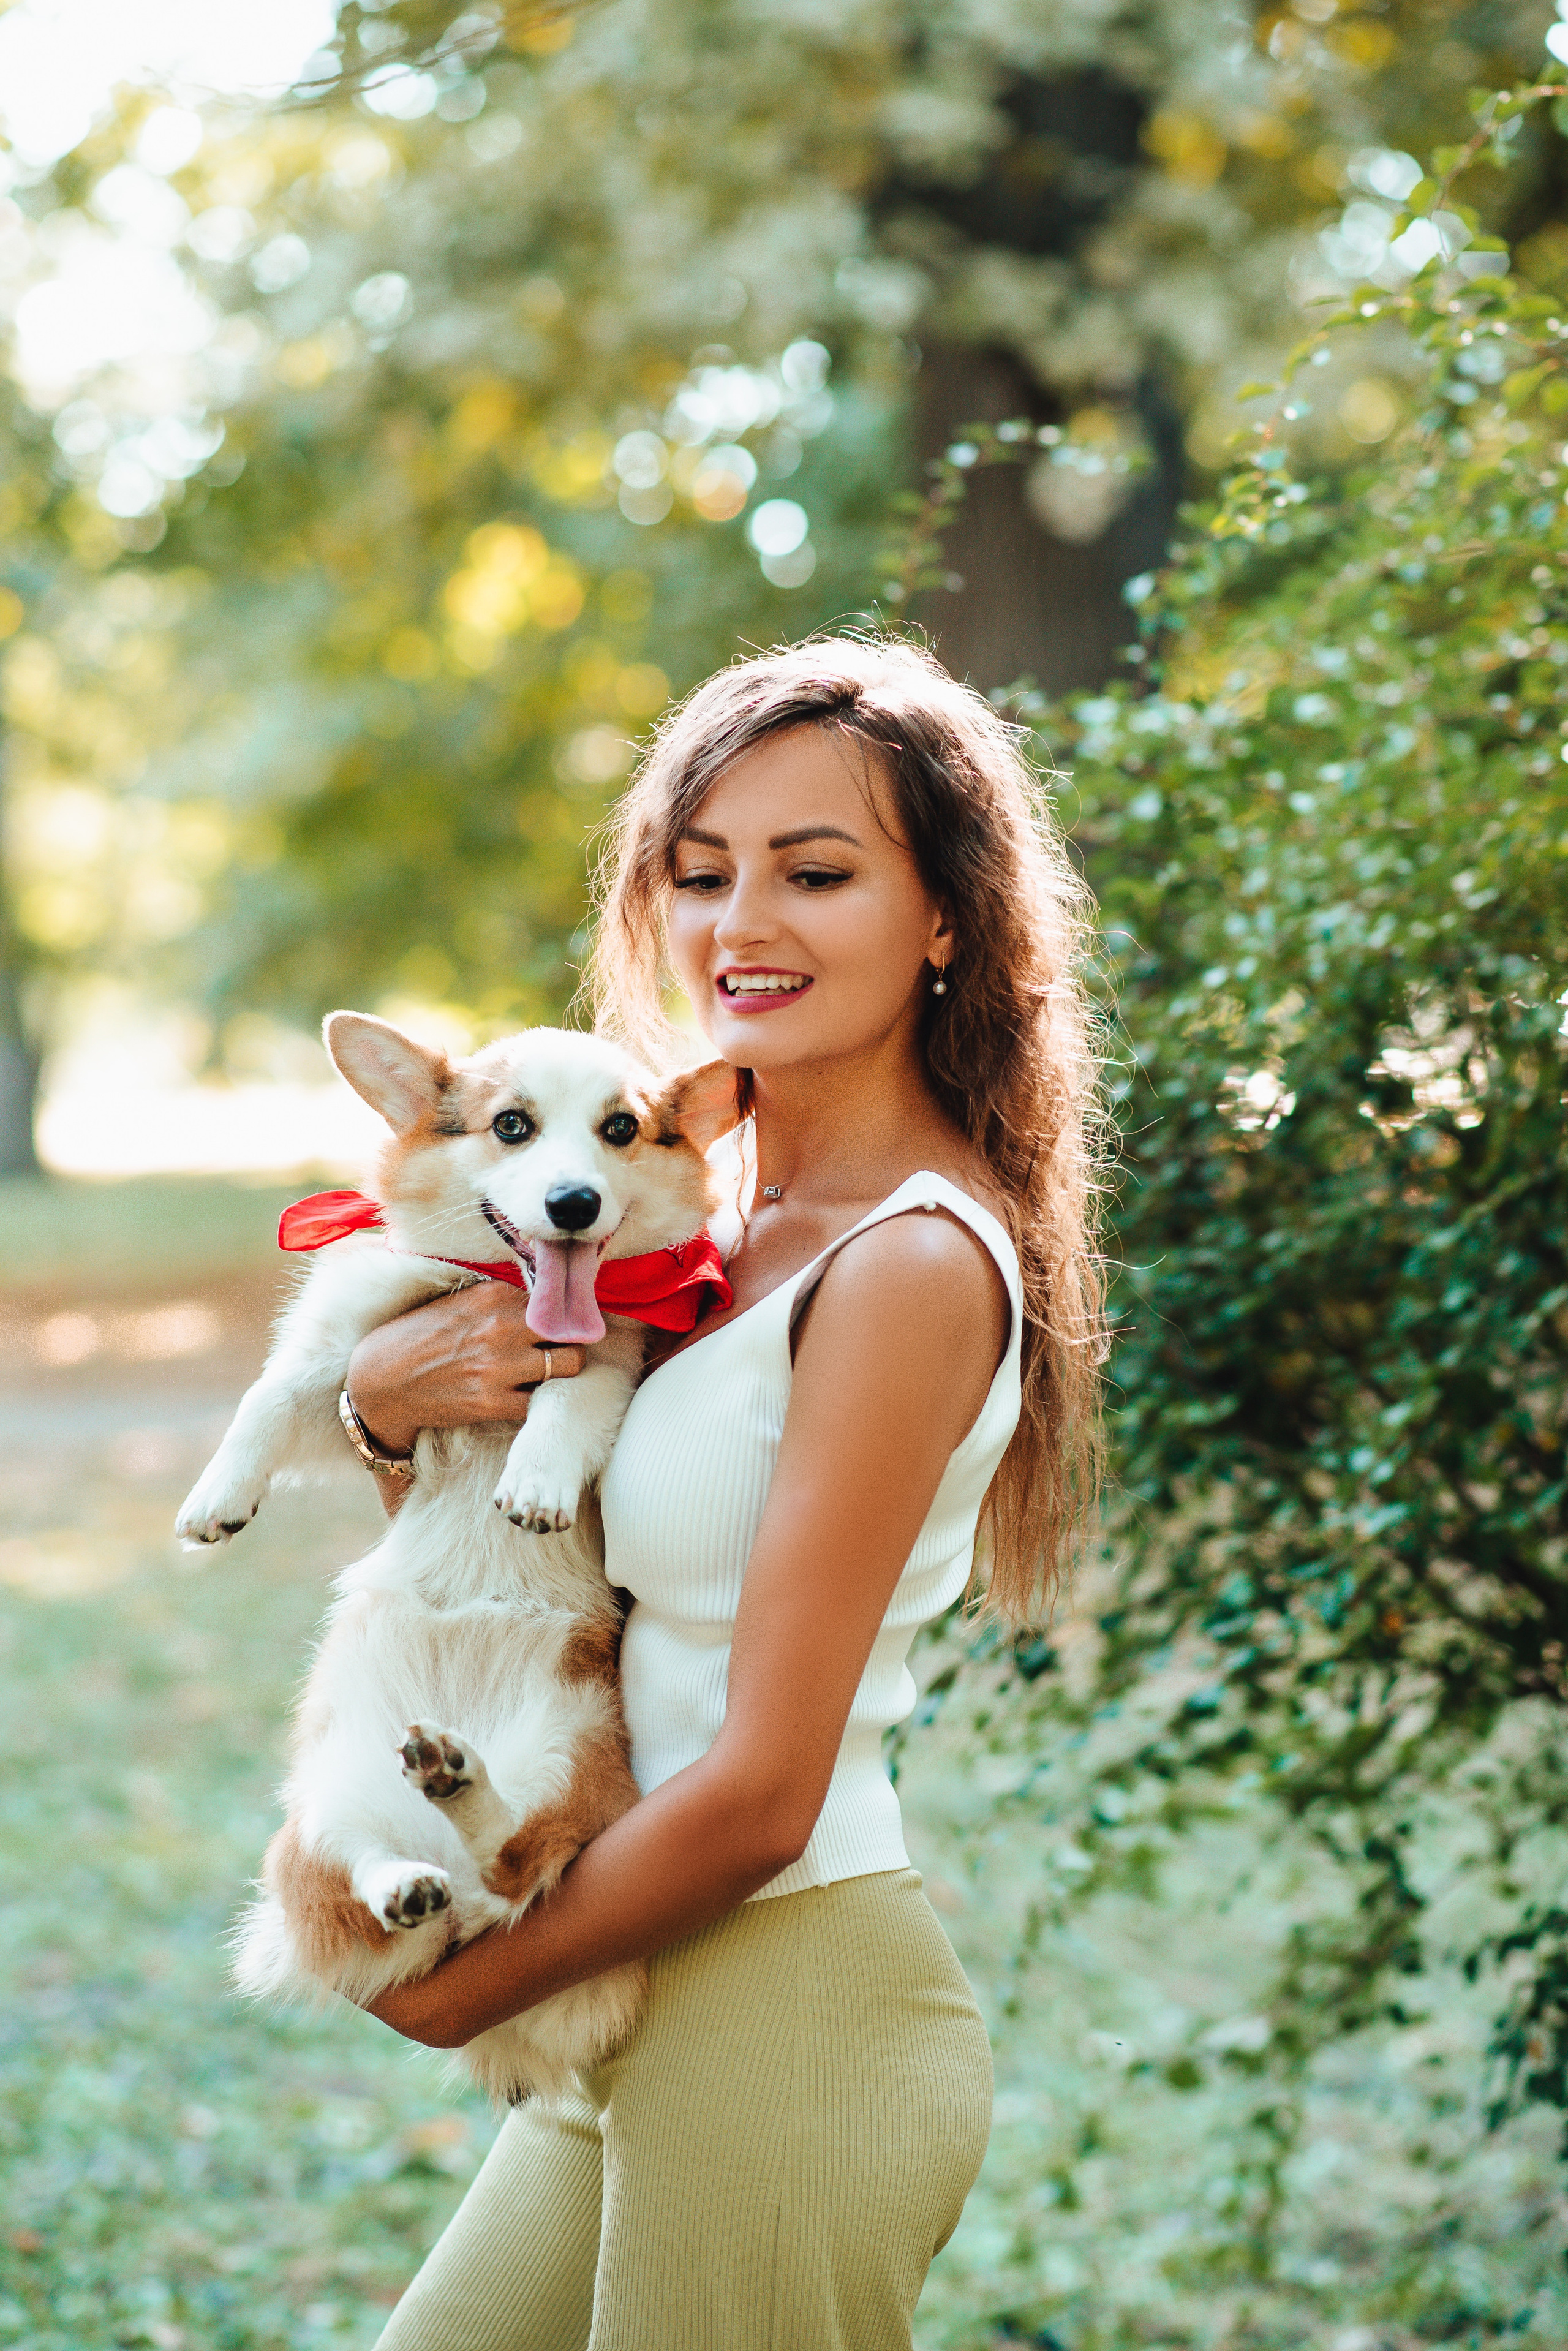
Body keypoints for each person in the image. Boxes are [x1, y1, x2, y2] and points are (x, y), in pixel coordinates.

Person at [342, 634, 1106, 2350]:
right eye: (700, 875)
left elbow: (765, 1788)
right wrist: (382, 1418)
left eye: (815, 872)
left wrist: (456, 1991)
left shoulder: (908, 1263)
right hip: (628, 1981)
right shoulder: (681, 1217)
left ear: (945, 919)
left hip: (782, 1997)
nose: (739, 924)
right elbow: (532, 1587)